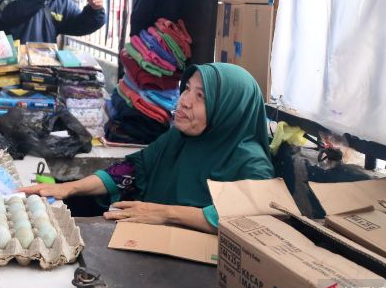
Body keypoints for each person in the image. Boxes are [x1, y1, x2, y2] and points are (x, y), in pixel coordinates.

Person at [20, 63, 274, 233]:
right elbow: (133, 168)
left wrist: (166, 214)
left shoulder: (251, 163)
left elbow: (244, 219)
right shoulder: (179, 138)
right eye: (187, 89)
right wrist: (69, 188)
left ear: (231, 109)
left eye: (201, 97)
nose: (184, 101)